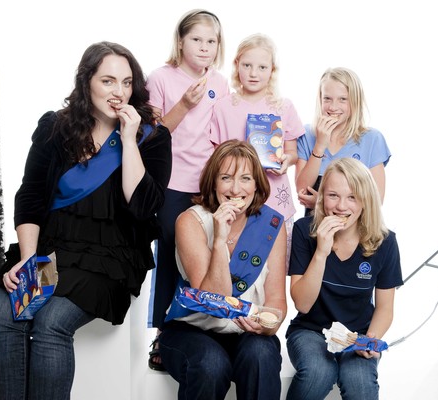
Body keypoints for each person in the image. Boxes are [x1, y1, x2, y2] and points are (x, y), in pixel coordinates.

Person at [0, 41, 172, 400]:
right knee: (5, 313)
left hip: (110, 258)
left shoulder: (152, 137)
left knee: (52, 320)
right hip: (52, 251)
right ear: (87, 82)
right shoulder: (56, 128)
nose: (119, 92)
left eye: (127, 82)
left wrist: (129, 141)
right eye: (108, 81)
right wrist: (28, 260)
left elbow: (143, 207)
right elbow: (31, 197)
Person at [158, 139, 287, 399]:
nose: (236, 188)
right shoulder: (190, 221)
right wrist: (219, 239)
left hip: (246, 331)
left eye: (246, 179)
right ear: (213, 183)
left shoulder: (272, 225)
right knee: (211, 364)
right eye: (226, 177)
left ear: (257, 184)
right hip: (191, 331)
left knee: (261, 355)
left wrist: (269, 325)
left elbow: (276, 299)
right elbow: (212, 300)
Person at [145, 9, 229, 370]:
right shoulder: (160, 78)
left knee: (206, 255)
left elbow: (223, 133)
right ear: (180, 41)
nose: (205, 48)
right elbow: (150, 136)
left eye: (212, 41)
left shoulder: (221, 82)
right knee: (170, 255)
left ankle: (203, 328)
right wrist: (185, 104)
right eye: (197, 39)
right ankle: (164, 334)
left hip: (208, 184)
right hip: (171, 182)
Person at [286, 157, 403, 400]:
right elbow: (302, 304)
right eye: (332, 196)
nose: (341, 206)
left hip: (357, 335)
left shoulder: (385, 241)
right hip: (311, 330)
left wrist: (370, 342)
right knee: (319, 372)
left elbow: (384, 309)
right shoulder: (304, 230)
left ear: (366, 200)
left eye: (352, 197)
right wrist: (321, 251)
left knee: (360, 384)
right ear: (321, 198)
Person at [210, 33, 303, 264]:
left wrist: (286, 161)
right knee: (235, 266)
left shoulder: (283, 106)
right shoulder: (223, 107)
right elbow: (214, 158)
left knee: (273, 269)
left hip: (274, 198)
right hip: (235, 200)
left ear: (272, 70)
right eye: (247, 65)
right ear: (236, 65)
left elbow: (293, 152)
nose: (253, 73)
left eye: (262, 67)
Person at [295, 67, 391, 215]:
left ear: (354, 102)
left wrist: (321, 203)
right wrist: (319, 146)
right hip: (313, 228)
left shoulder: (372, 139)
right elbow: (301, 190)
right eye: (327, 98)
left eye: (342, 99)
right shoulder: (307, 134)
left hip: (356, 231)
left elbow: (376, 201)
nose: (333, 107)